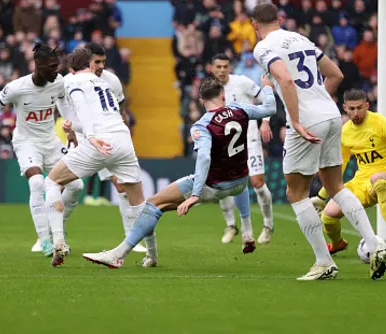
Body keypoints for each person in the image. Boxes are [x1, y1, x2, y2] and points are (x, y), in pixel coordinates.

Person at [250, 3, 386, 281]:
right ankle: (374, 243)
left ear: (255, 25)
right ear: (279, 19)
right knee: (335, 185)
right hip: (331, 115)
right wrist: (316, 101)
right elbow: (336, 74)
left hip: (308, 120)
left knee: (296, 193)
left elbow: (286, 81)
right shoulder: (301, 38)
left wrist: (298, 119)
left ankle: (324, 262)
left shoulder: (264, 47)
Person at [82, 76, 277, 268]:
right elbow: (270, 108)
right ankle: (246, 230)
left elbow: (205, 158)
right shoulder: (239, 109)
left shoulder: (202, 125)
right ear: (223, 95)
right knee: (166, 205)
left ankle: (119, 255)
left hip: (212, 186)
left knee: (153, 204)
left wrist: (194, 195)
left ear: (201, 100)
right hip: (240, 183)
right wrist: (267, 87)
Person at [44, 47, 154, 268]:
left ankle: (57, 240)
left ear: (71, 69)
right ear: (91, 65)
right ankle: (152, 255)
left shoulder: (72, 81)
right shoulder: (105, 83)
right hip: (122, 139)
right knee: (140, 202)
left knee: (52, 181)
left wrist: (91, 136)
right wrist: (73, 126)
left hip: (97, 141)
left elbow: (83, 109)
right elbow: (111, 112)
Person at [0, 43, 84, 257]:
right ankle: (44, 240)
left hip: (51, 142)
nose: (56, 71)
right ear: (38, 64)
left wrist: (70, 128)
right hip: (26, 142)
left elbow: (62, 102)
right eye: (52, 67)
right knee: (36, 183)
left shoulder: (58, 82)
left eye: (57, 66)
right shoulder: (18, 87)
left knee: (77, 185)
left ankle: (56, 230)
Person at [311, 89, 386, 254]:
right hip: (361, 182)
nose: (356, 113)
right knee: (328, 215)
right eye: (351, 109)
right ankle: (337, 244)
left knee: (378, 179)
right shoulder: (345, 131)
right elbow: (339, 166)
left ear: (367, 106)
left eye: (359, 107)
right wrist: (322, 196)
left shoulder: (382, 123)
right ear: (345, 108)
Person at [211, 54, 274, 244]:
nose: (222, 70)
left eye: (225, 66)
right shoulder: (210, 89)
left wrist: (265, 122)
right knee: (222, 185)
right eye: (218, 67)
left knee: (257, 183)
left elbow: (266, 99)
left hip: (250, 139)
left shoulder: (243, 82)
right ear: (212, 68)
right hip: (224, 144)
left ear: (230, 67)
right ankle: (231, 225)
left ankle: (268, 225)